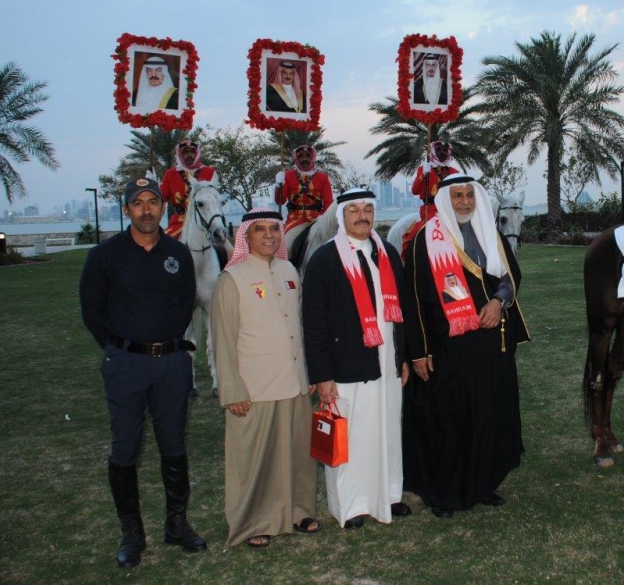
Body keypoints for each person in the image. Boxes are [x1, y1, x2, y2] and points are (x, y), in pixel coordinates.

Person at [79, 177, 207, 569]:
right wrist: (122, 350)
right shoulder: (105, 255)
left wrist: (161, 345)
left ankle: (176, 524)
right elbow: (92, 312)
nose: (147, 209)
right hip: (126, 366)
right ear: (127, 210)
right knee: (125, 450)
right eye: (139, 203)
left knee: (173, 446)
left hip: (170, 364)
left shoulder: (177, 254)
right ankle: (132, 534)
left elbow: (186, 305)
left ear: (162, 208)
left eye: (153, 202)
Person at [402, 174, 529, 518]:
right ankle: (443, 493)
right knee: (449, 419)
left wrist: (499, 301)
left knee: (488, 413)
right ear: (445, 200)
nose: (464, 202)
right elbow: (412, 303)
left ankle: (483, 482)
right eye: (456, 196)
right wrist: (418, 351)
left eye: (469, 195)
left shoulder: (493, 234)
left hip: (490, 345)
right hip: (448, 351)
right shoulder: (424, 242)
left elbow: (510, 276)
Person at [209, 209, 319, 548]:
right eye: (260, 230)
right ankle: (253, 520)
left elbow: (300, 326)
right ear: (246, 236)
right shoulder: (233, 279)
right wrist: (231, 388)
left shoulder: (289, 271)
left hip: (294, 381)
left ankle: (298, 510)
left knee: (299, 454)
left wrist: (310, 372)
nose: (269, 235)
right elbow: (222, 340)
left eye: (275, 229)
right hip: (254, 386)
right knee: (255, 458)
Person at [302, 188, 412, 529]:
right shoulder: (324, 260)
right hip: (345, 366)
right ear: (341, 216)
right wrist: (322, 375)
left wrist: (403, 358)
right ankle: (351, 506)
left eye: (368, 209)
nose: (362, 216)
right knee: (351, 438)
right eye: (354, 210)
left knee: (387, 431)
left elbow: (401, 312)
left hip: (387, 362)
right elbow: (314, 324)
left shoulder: (388, 253)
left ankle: (389, 495)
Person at [274, 143, 334, 257]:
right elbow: (280, 201)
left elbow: (328, 204)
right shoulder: (287, 176)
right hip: (295, 220)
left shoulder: (323, 178)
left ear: (313, 157)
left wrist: (325, 222)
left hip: (317, 220)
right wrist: (279, 185)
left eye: (307, 156)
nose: (304, 159)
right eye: (301, 156)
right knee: (285, 248)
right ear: (296, 159)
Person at [401, 139, 460, 255]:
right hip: (431, 208)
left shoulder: (454, 172)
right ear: (433, 151)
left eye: (445, 150)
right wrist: (423, 175)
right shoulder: (424, 170)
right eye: (438, 150)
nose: (442, 152)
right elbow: (414, 190)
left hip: (450, 208)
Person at [158, 138, 218, 239]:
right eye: (186, 152)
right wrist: (152, 186)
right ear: (180, 154)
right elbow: (161, 197)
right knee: (163, 242)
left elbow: (214, 198)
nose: (189, 155)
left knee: (225, 247)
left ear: (196, 153)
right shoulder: (170, 174)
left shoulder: (209, 172)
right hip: (180, 221)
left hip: (205, 220)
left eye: (192, 152)